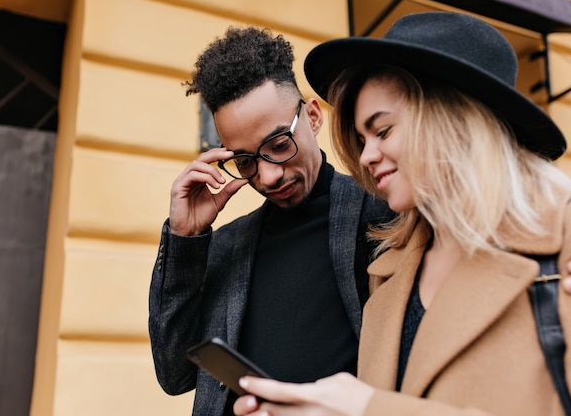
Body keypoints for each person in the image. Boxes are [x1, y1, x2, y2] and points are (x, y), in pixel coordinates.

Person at [232, 12, 571, 416]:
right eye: (361, 138)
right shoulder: (387, 276)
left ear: (456, 120)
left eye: (383, 131)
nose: (366, 157)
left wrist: (368, 409)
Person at [148, 26, 392, 416]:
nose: (267, 177)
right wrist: (185, 240)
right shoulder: (225, 245)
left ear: (312, 116)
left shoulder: (380, 213)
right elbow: (174, 373)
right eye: (244, 161)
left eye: (279, 146)